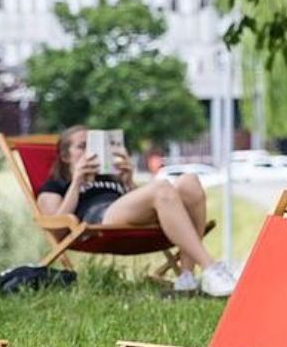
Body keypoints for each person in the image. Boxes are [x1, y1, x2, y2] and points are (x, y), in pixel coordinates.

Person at [36, 125, 235, 296]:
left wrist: (129, 180)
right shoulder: (55, 185)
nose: (89, 151)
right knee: (161, 186)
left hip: (128, 212)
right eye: (82, 146)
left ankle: (186, 278)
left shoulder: (108, 176)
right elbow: (57, 229)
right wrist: (77, 181)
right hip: (100, 219)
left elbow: (155, 201)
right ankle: (211, 268)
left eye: (93, 145)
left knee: (190, 181)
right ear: (65, 155)